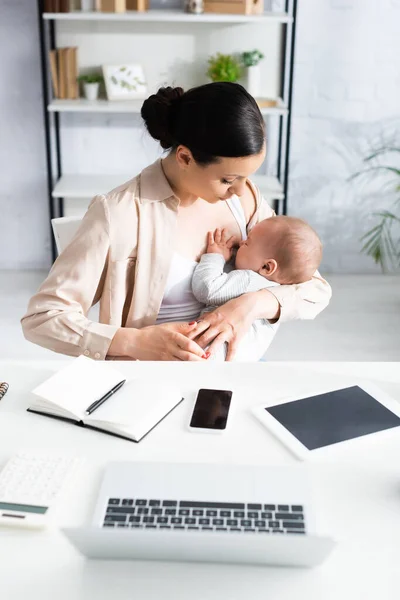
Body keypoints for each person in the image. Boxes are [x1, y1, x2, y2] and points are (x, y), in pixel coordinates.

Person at [21, 82, 331, 362]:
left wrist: (249, 305)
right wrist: (134, 341)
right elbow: (44, 319)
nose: (238, 190)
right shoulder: (119, 214)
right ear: (184, 157)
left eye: (246, 177)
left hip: (238, 371)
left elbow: (313, 287)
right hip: (152, 379)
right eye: (227, 179)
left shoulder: (244, 199)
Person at [192, 216, 323, 361]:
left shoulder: (249, 280)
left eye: (247, 243)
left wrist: (215, 255)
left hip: (209, 355)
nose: (241, 241)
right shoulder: (277, 287)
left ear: (267, 267)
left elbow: (207, 288)